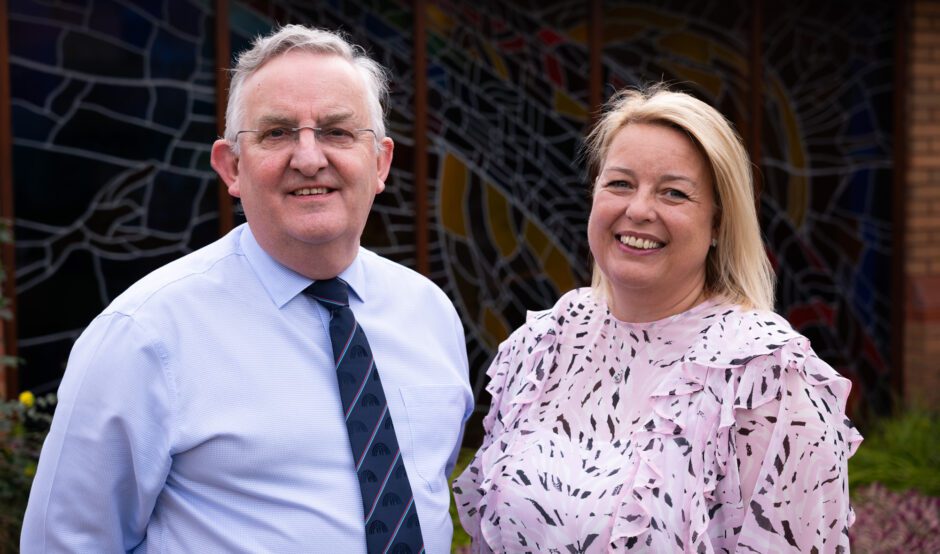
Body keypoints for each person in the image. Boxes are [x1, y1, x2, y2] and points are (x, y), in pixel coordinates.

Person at [22, 24, 473, 553]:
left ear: (380, 163)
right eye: (277, 132)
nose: (309, 158)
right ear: (232, 167)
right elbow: (66, 543)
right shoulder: (144, 335)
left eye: (337, 131)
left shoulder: (430, 314)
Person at [453, 85, 862, 553]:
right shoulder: (544, 342)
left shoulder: (767, 373)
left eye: (673, 193)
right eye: (620, 183)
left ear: (718, 224)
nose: (639, 210)